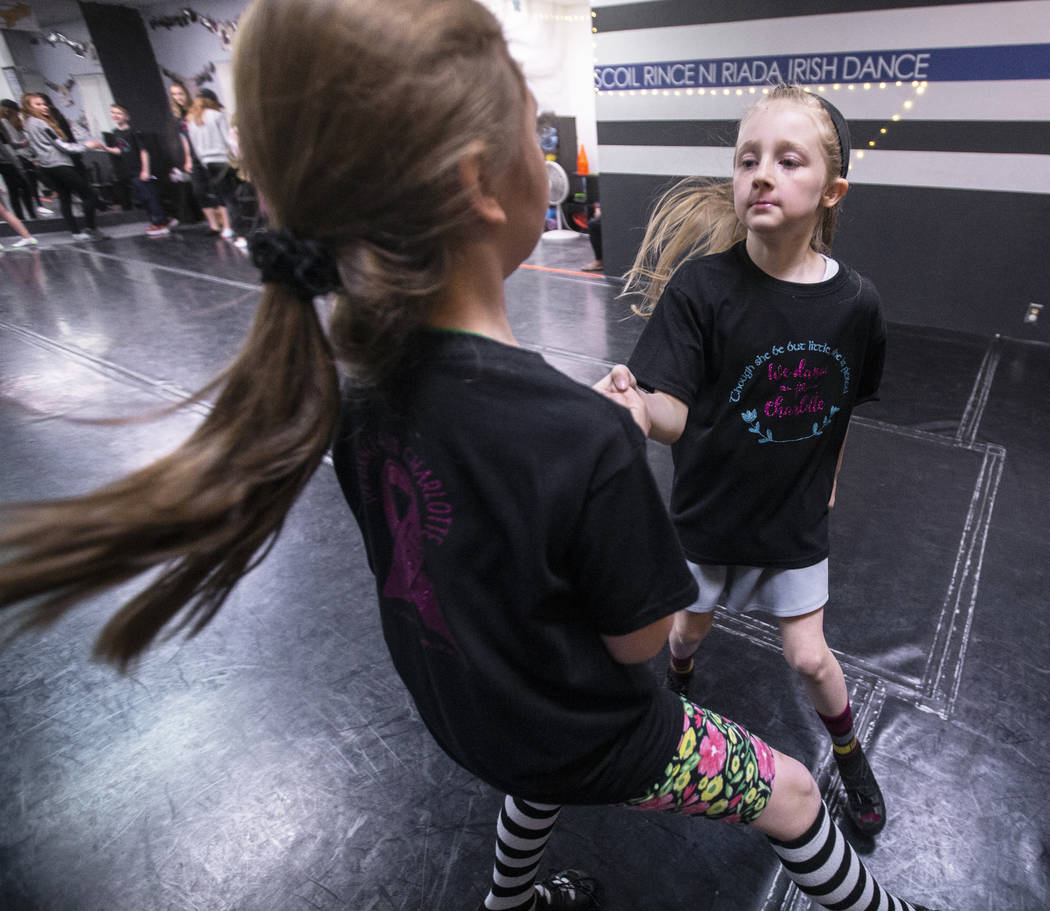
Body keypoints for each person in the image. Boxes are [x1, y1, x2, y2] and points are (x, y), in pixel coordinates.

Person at [0, 5, 938, 911]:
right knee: (794, 797)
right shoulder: (580, 437)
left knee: (536, 777)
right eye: (537, 139)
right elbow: (639, 646)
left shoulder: (351, 384)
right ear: (487, 184)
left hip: (470, 714)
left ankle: (507, 898)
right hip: (591, 728)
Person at [594, 85, 889, 838]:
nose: (761, 174)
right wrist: (638, 405)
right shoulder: (703, 289)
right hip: (706, 520)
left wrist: (828, 487)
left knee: (811, 658)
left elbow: (843, 404)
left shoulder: (856, 304)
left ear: (831, 191)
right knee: (685, 636)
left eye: (788, 161)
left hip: (792, 524)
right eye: (747, 159)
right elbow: (673, 413)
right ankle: (679, 698)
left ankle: (851, 758)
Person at [21, 93, 106, 241]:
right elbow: (60, 145)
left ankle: (76, 233)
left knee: (65, 197)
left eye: (44, 104)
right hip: (59, 164)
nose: (44, 107)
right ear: (29, 107)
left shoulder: (28, 124)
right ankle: (91, 229)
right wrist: (86, 146)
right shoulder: (41, 123)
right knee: (89, 195)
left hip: (47, 166)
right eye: (38, 104)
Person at [101, 104, 175, 237]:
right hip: (130, 171)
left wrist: (145, 170)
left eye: (119, 113)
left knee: (150, 196)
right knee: (143, 198)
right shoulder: (116, 133)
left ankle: (161, 222)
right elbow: (121, 150)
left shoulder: (133, 132)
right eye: (113, 113)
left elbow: (143, 151)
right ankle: (157, 220)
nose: (115, 115)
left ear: (126, 116)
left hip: (140, 169)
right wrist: (103, 147)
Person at [184, 88, 237, 238]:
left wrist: (202, 160)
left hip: (207, 162)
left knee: (219, 193)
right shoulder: (218, 115)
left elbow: (194, 145)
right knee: (229, 195)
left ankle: (226, 228)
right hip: (222, 160)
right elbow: (228, 139)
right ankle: (231, 227)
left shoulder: (191, 120)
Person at [0, 99, 47, 218]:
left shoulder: (3, 122)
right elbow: (3, 148)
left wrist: (22, 144)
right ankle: (27, 216)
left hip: (7, 160)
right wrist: (16, 163)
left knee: (16, 189)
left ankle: (25, 217)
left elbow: (10, 143)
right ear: (7, 111)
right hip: (5, 162)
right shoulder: (2, 122)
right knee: (22, 188)